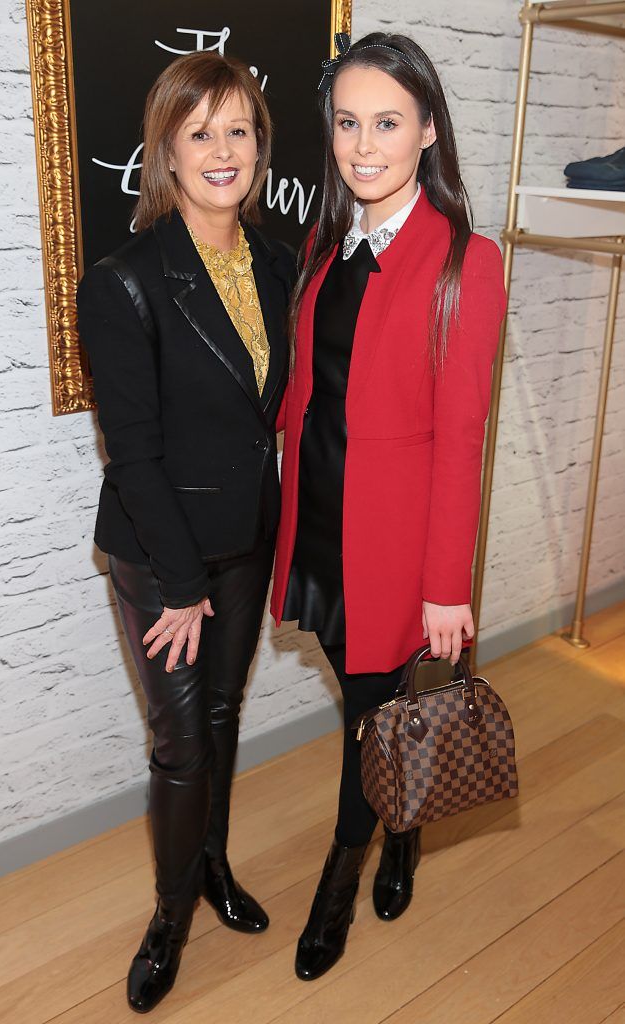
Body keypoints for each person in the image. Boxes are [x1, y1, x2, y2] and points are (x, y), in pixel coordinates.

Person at [270, 31, 507, 981]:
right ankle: (404, 817)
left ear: (428, 133)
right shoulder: (327, 243)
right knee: (361, 693)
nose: (363, 146)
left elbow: (462, 439)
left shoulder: (465, 261)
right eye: (346, 123)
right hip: (319, 521)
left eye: (387, 123)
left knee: (369, 712)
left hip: (395, 542)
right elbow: (308, 395)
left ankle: (347, 868)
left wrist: (446, 588)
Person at [77, 52, 295, 1013]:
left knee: (222, 718)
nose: (222, 149)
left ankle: (210, 868)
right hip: (162, 554)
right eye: (199, 131)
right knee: (181, 748)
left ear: (260, 146)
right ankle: (169, 918)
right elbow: (133, 454)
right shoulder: (125, 281)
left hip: (247, 536)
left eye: (238, 129)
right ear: (166, 148)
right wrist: (179, 586)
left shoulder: (281, 260)